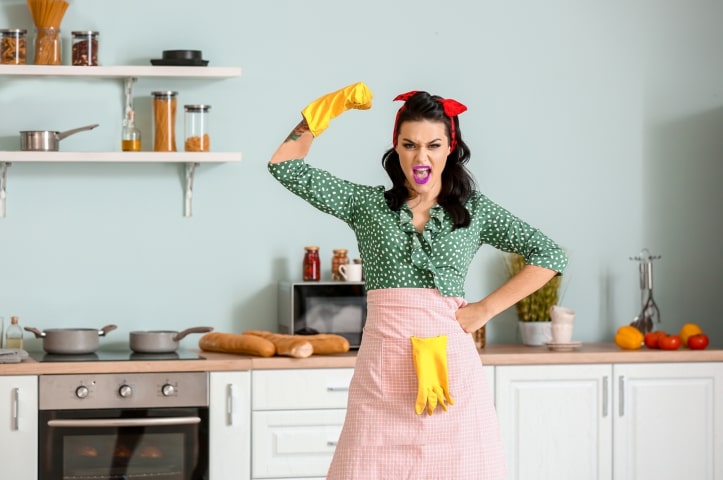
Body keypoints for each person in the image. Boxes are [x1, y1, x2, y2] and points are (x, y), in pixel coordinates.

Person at [268, 82, 568, 479]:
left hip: (452, 372)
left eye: (433, 145)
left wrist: (484, 310)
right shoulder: (367, 206)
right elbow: (285, 166)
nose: (420, 156)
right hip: (382, 376)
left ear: (450, 148)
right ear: (396, 147)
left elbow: (550, 254)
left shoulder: (474, 211)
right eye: (409, 145)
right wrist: (327, 109)